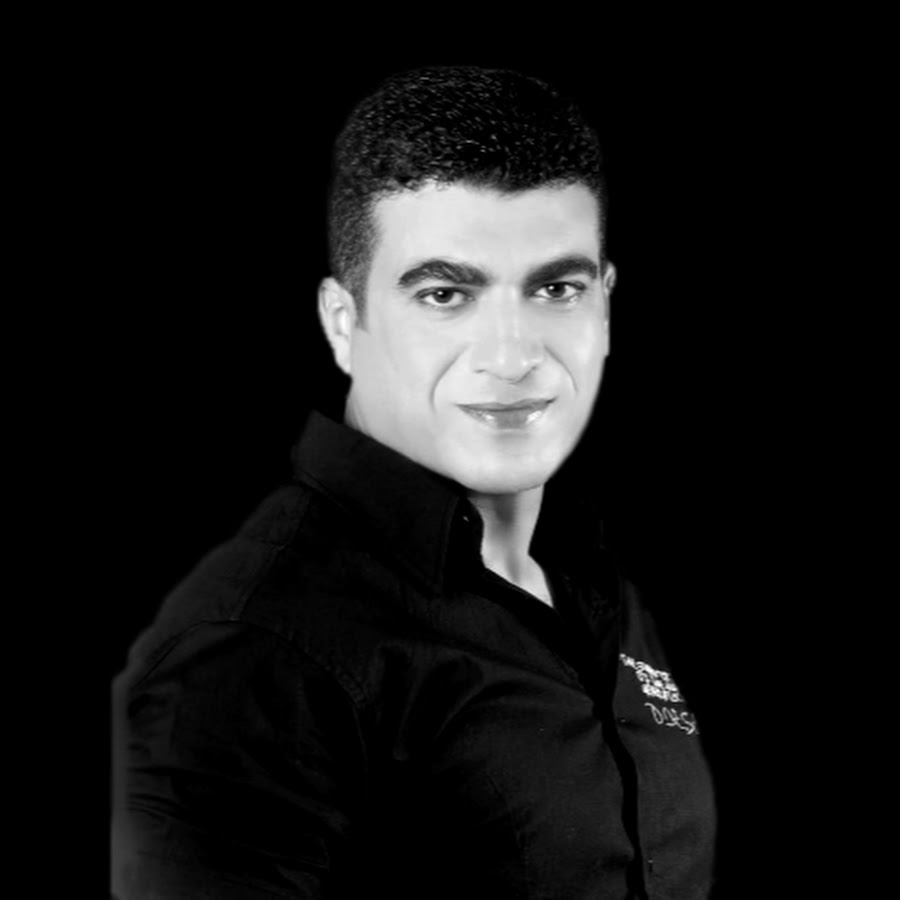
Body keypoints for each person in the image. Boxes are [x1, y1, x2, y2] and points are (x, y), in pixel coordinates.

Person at [111, 65, 717, 899]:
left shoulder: (593, 585)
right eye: (444, 294)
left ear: (605, 307)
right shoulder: (255, 651)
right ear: (342, 324)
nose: (512, 356)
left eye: (555, 288)